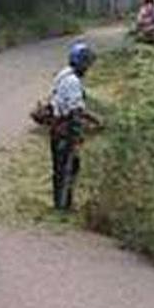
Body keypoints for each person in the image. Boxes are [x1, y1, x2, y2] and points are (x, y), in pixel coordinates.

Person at [49, 42, 101, 211]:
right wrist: (94, 121)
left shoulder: (64, 74)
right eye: (87, 64)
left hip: (57, 127)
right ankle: (64, 204)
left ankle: (61, 203)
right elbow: (75, 110)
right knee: (68, 167)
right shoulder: (72, 82)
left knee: (61, 167)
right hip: (65, 129)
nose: (88, 68)